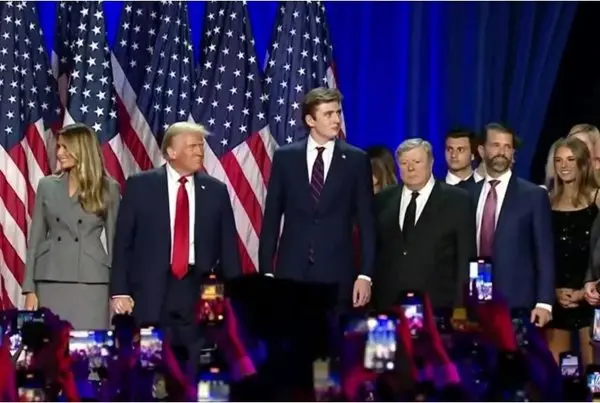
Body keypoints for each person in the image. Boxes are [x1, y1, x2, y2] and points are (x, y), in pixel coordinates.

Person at [109, 122, 241, 370]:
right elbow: (123, 243)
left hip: (200, 290)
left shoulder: (216, 190)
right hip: (152, 290)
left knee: (198, 366)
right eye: (192, 146)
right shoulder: (140, 186)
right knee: (151, 366)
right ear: (171, 152)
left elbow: (228, 250)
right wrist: (120, 291)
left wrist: (235, 296)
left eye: (201, 146)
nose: (199, 152)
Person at [259, 87, 375, 309]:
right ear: (310, 120)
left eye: (338, 113)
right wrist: (266, 272)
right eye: (328, 114)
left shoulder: (356, 160)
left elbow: (367, 223)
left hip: (337, 275)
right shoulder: (285, 157)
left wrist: (365, 275)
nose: (336, 120)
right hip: (291, 274)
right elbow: (271, 219)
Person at [22, 123, 120, 329]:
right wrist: (29, 288)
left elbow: (116, 244)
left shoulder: (108, 188)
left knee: (89, 345)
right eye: (59, 147)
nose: (59, 153)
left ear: (82, 149)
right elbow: (35, 240)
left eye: (66, 147)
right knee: (50, 344)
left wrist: (119, 290)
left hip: (91, 280)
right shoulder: (47, 186)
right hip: (50, 278)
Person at [372, 138, 476, 309]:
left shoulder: (458, 201)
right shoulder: (383, 200)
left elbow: (465, 258)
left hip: (438, 306)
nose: (410, 168)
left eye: (417, 162)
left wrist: (461, 306)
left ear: (431, 162)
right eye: (404, 163)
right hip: (389, 304)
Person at [472, 123, 555, 326]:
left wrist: (544, 302)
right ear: (482, 150)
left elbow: (544, 252)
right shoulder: (467, 193)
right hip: (475, 302)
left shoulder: (533, 195)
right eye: (496, 145)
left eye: (507, 147)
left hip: (518, 304)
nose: (502, 152)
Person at [545, 137, 598, 366]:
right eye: (558, 160)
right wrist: (553, 291)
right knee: (558, 374)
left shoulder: (597, 198)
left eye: (570, 159)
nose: (564, 166)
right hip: (558, 300)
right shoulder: (546, 202)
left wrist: (584, 292)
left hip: (592, 299)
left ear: (582, 163)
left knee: (593, 374)